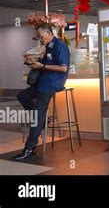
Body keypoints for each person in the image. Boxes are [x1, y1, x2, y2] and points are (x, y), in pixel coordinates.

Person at [13, 23, 70, 160]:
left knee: (37, 114)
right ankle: (43, 120)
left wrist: (42, 65)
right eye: (38, 37)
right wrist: (33, 62)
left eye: (40, 36)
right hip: (42, 81)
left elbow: (63, 68)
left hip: (51, 83)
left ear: (48, 33)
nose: (40, 39)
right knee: (23, 96)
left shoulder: (60, 46)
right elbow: (44, 65)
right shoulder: (48, 47)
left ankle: (29, 148)